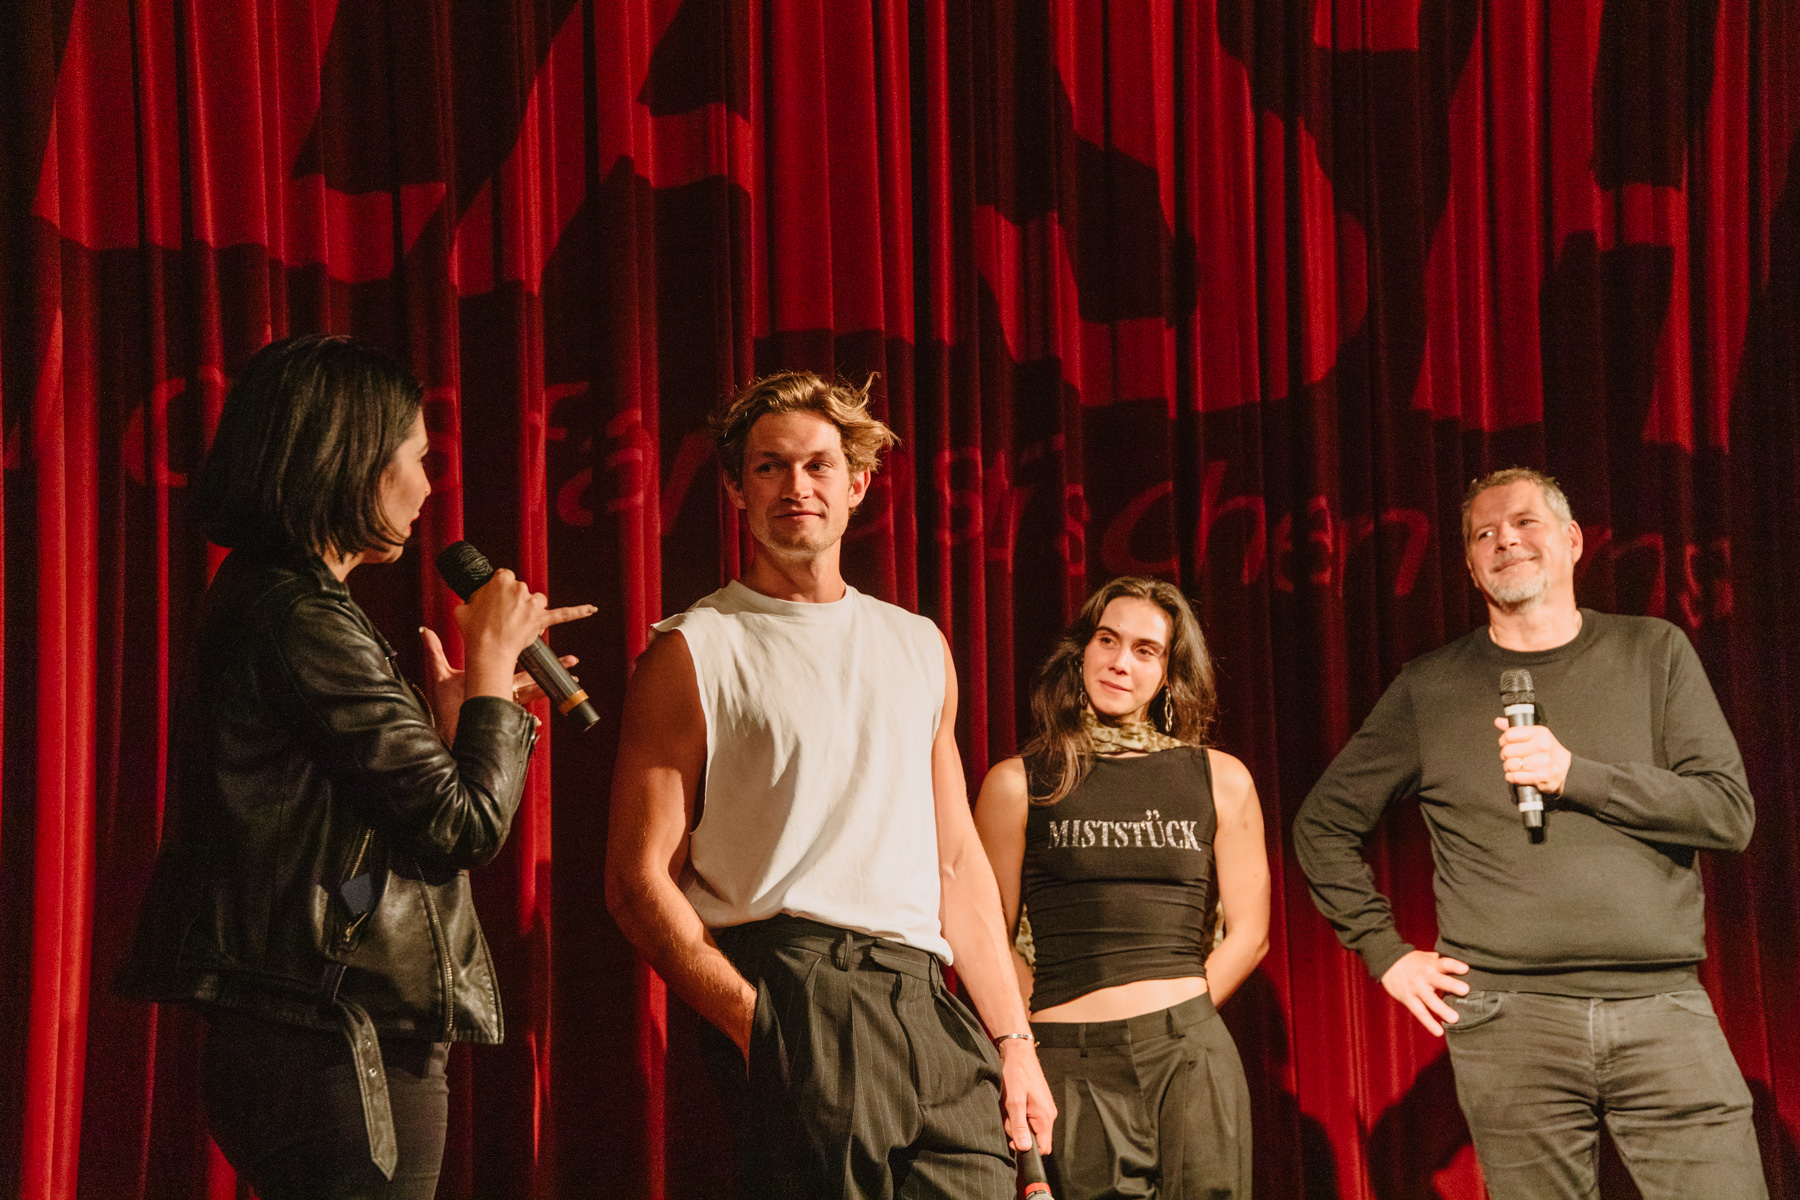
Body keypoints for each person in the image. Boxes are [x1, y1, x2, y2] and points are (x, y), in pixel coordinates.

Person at [118, 335, 594, 1200]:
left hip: (314, 1031)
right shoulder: (301, 616)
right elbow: (461, 830)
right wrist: (492, 670)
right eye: (416, 458)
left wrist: (463, 721)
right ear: (352, 462)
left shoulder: (278, 600)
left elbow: (374, 818)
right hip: (334, 1038)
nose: (427, 488)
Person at [605, 370, 1055, 1199]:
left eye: (817, 465)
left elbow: (956, 863)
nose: (796, 486)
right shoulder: (695, 649)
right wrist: (758, 1026)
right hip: (797, 980)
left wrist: (1014, 1042)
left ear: (857, 483)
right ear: (736, 490)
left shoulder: (918, 644)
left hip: (927, 996)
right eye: (769, 466)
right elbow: (637, 882)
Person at [1293, 467, 1765, 1200]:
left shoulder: (1653, 652)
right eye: (1484, 534)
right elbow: (1323, 824)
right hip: (1509, 1023)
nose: (1505, 540)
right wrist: (1386, 953)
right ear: (1471, 565)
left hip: (1661, 1007)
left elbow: (1727, 812)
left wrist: (1575, 774)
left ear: (1571, 541)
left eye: (1523, 523)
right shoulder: (1431, 687)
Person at [973, 576, 1270, 1200]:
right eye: (1107, 640)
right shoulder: (1017, 783)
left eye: (1145, 650)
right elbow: (985, 939)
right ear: (1081, 650)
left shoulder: (1220, 779)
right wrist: (1032, 1034)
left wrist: (1177, 1020)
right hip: (1067, 1060)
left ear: (1168, 674)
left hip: (1188, 1056)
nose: (1120, 661)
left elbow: (1251, 934)